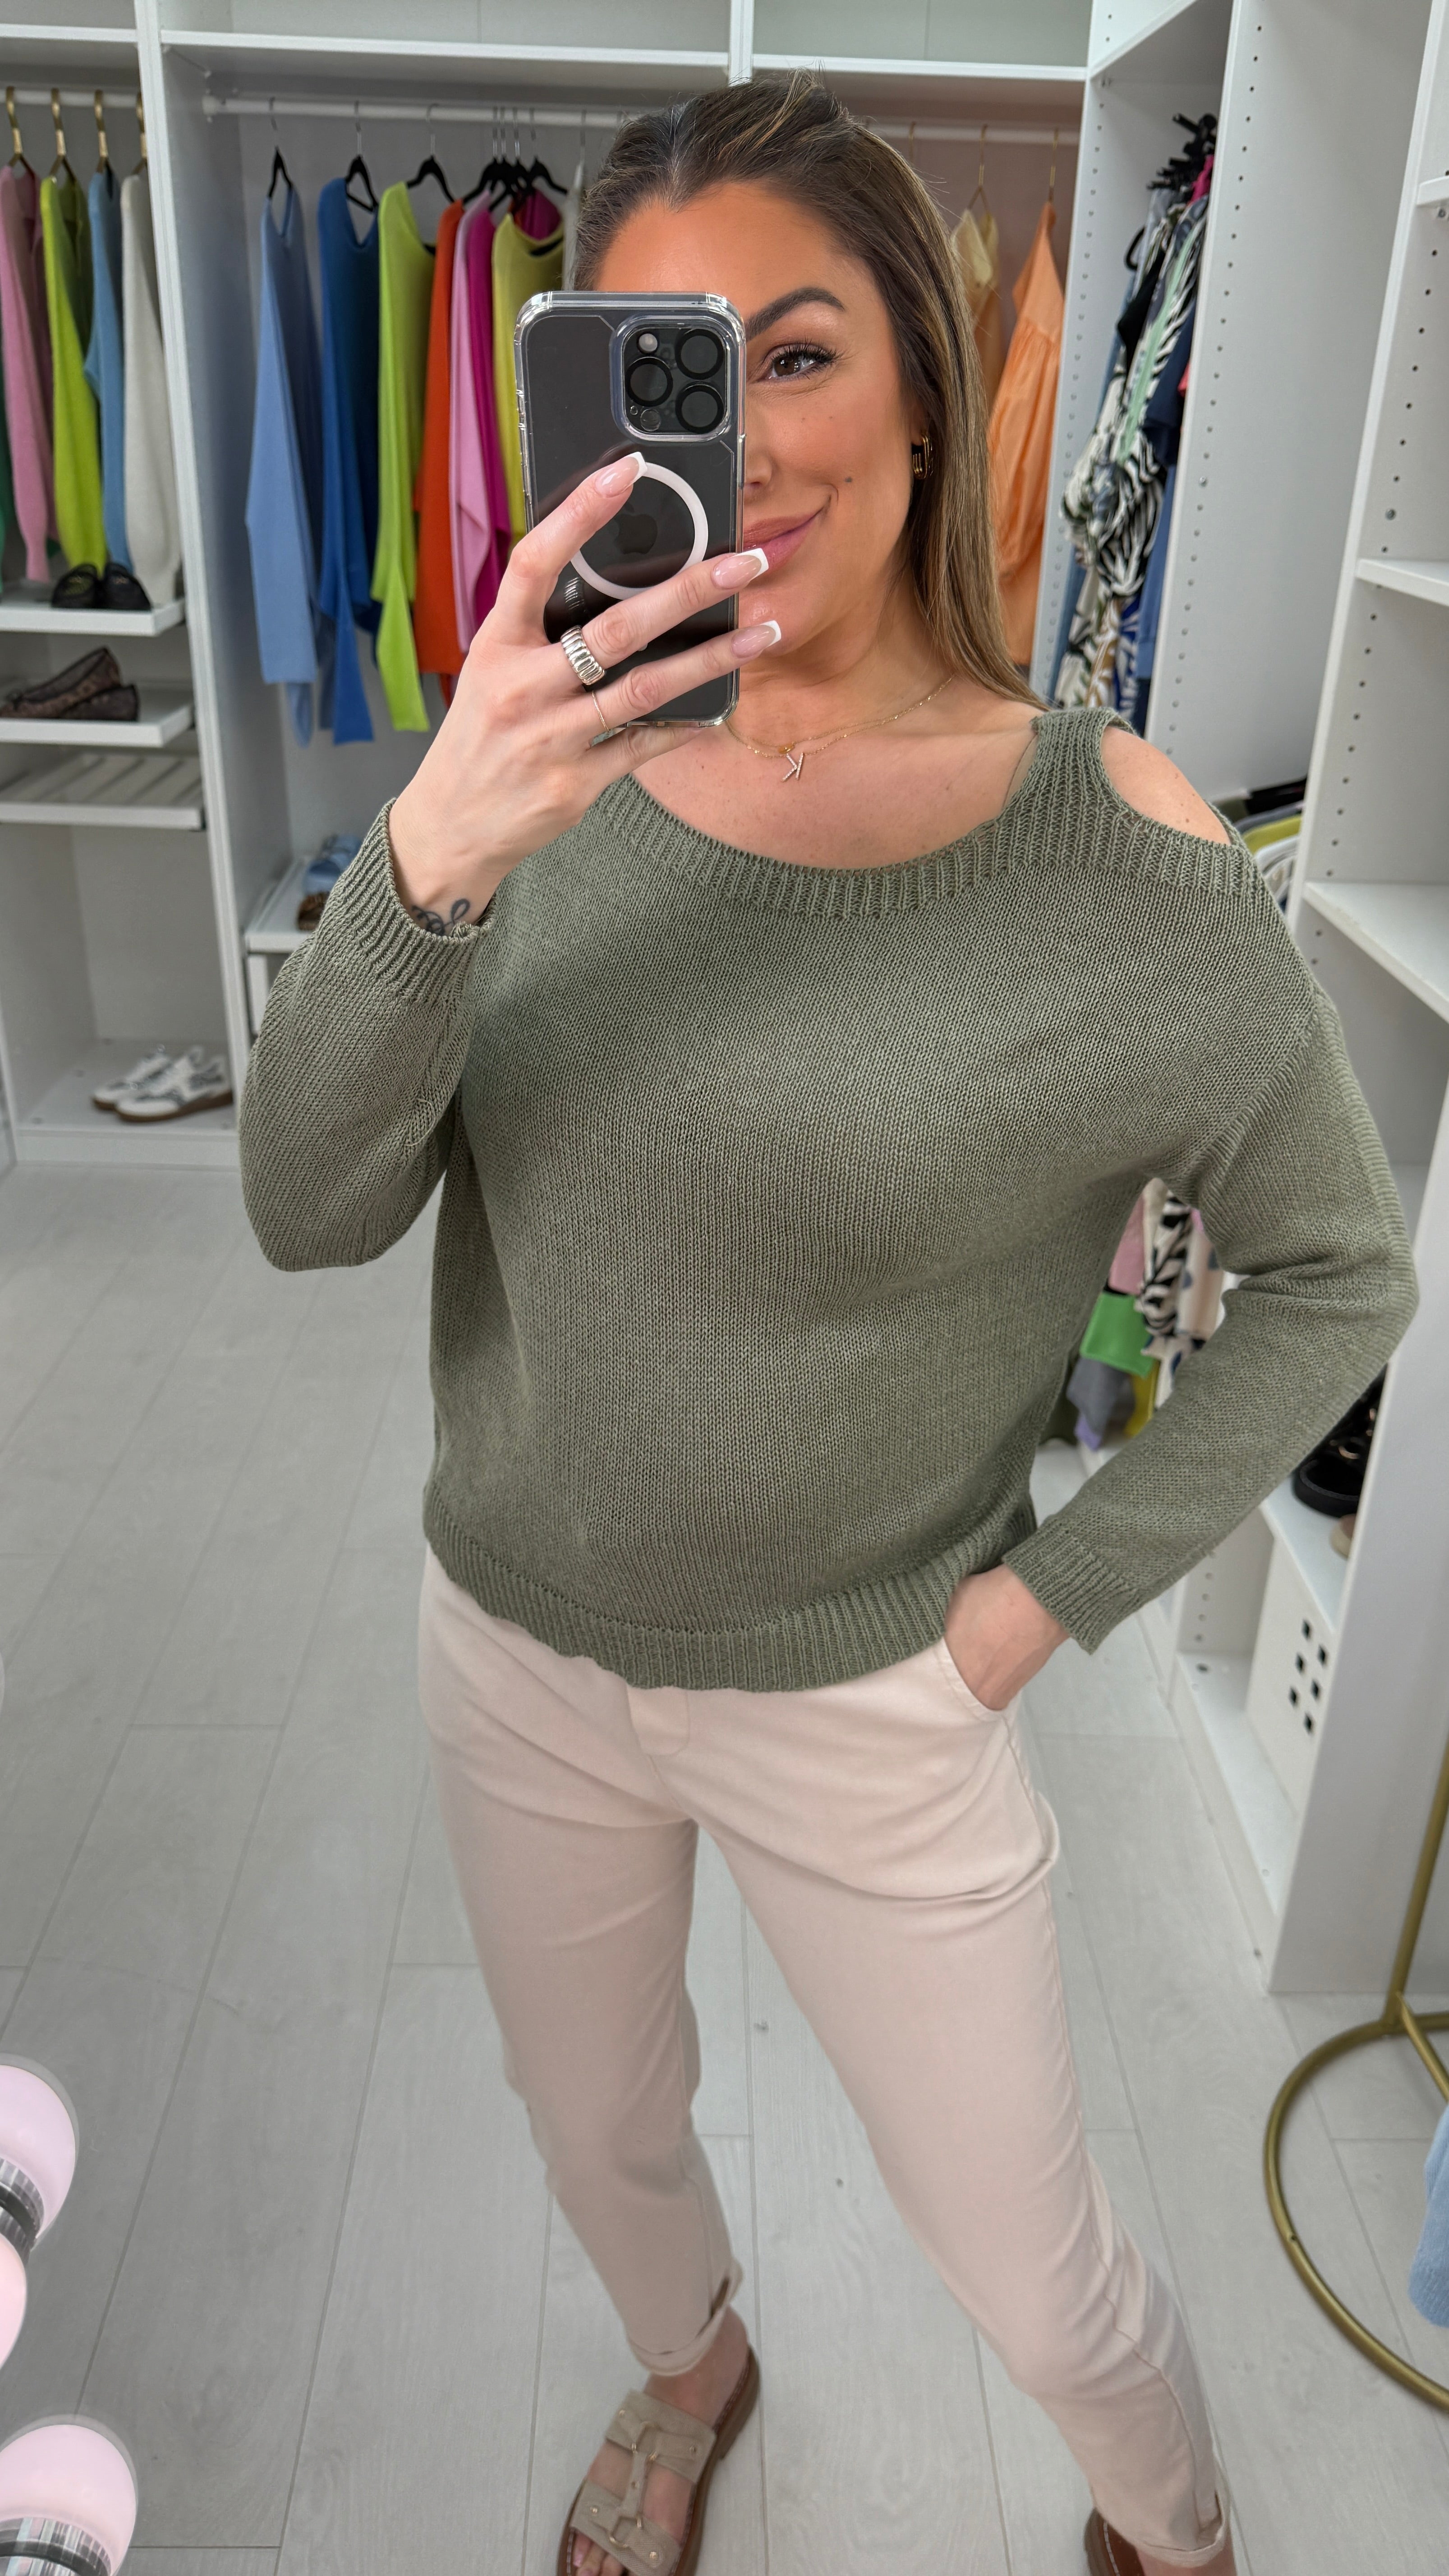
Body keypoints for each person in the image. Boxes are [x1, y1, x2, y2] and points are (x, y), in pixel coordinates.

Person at [239, 74, 1416, 2576]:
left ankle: (1174, 2524)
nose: (748, 442)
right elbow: (305, 1210)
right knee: (600, 2133)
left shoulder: (1118, 855)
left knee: (1037, 2267)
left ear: (920, 374)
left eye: (794, 352)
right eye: (666, 369)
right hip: (518, 1643)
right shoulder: (521, 787)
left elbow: (1340, 1270)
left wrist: (1036, 1607)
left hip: (883, 1691)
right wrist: (434, 857)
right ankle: (693, 2375)